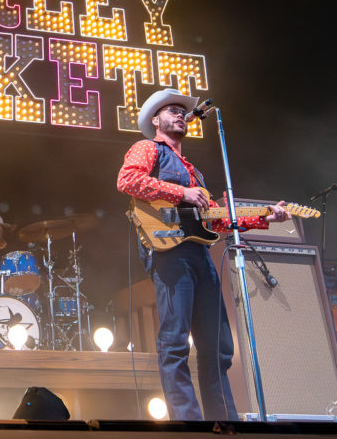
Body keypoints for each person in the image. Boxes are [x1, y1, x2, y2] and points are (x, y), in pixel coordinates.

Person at [117, 88, 289, 421]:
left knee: (217, 346)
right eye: (172, 111)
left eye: (182, 111)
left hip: (200, 254)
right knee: (175, 341)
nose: (180, 115)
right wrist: (181, 192)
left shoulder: (195, 173)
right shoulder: (147, 148)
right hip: (169, 252)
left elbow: (218, 219)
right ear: (156, 121)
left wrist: (265, 216)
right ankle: (188, 424)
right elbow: (128, 180)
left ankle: (225, 422)